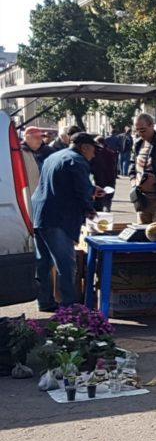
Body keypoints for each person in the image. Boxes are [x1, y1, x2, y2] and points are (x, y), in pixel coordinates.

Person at [31, 133, 104, 311]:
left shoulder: (55, 156)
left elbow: (60, 182)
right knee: (66, 264)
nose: (94, 154)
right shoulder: (78, 161)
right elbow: (79, 188)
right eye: (93, 149)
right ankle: (70, 305)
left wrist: (92, 189)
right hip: (58, 217)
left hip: (39, 214)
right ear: (85, 147)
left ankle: (45, 301)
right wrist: (89, 209)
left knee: (44, 262)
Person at [91, 136, 118, 212]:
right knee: (107, 202)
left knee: (98, 205)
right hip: (110, 181)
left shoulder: (95, 153)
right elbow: (114, 168)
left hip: (99, 181)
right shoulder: (111, 153)